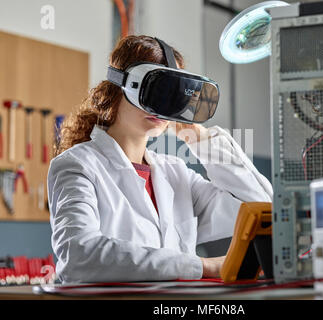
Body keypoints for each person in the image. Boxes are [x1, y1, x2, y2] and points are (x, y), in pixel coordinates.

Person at [48, 35, 273, 283]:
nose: (162, 106)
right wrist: (202, 266)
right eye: (157, 90)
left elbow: (261, 207)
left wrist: (200, 138)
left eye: (172, 95)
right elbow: (80, 256)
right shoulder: (78, 165)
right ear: (121, 87)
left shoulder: (176, 173)